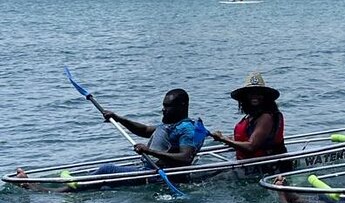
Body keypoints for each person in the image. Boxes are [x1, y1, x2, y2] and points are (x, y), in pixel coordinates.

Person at [16, 89, 203, 191]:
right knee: (97, 172)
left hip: (155, 175)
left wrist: (149, 151)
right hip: (147, 168)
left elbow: (185, 158)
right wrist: (119, 118)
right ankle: (71, 184)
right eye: (163, 106)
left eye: (168, 107)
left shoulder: (185, 128)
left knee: (107, 170)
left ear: (182, 106)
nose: (163, 110)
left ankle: (44, 191)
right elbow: (146, 130)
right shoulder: (171, 124)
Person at [211, 72, 287, 162]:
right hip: (250, 164)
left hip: (266, 166)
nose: (254, 96)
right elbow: (247, 138)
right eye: (250, 93)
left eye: (258, 93)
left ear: (265, 96)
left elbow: (251, 147)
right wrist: (227, 138)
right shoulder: (251, 116)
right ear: (245, 97)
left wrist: (223, 139)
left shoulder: (266, 117)